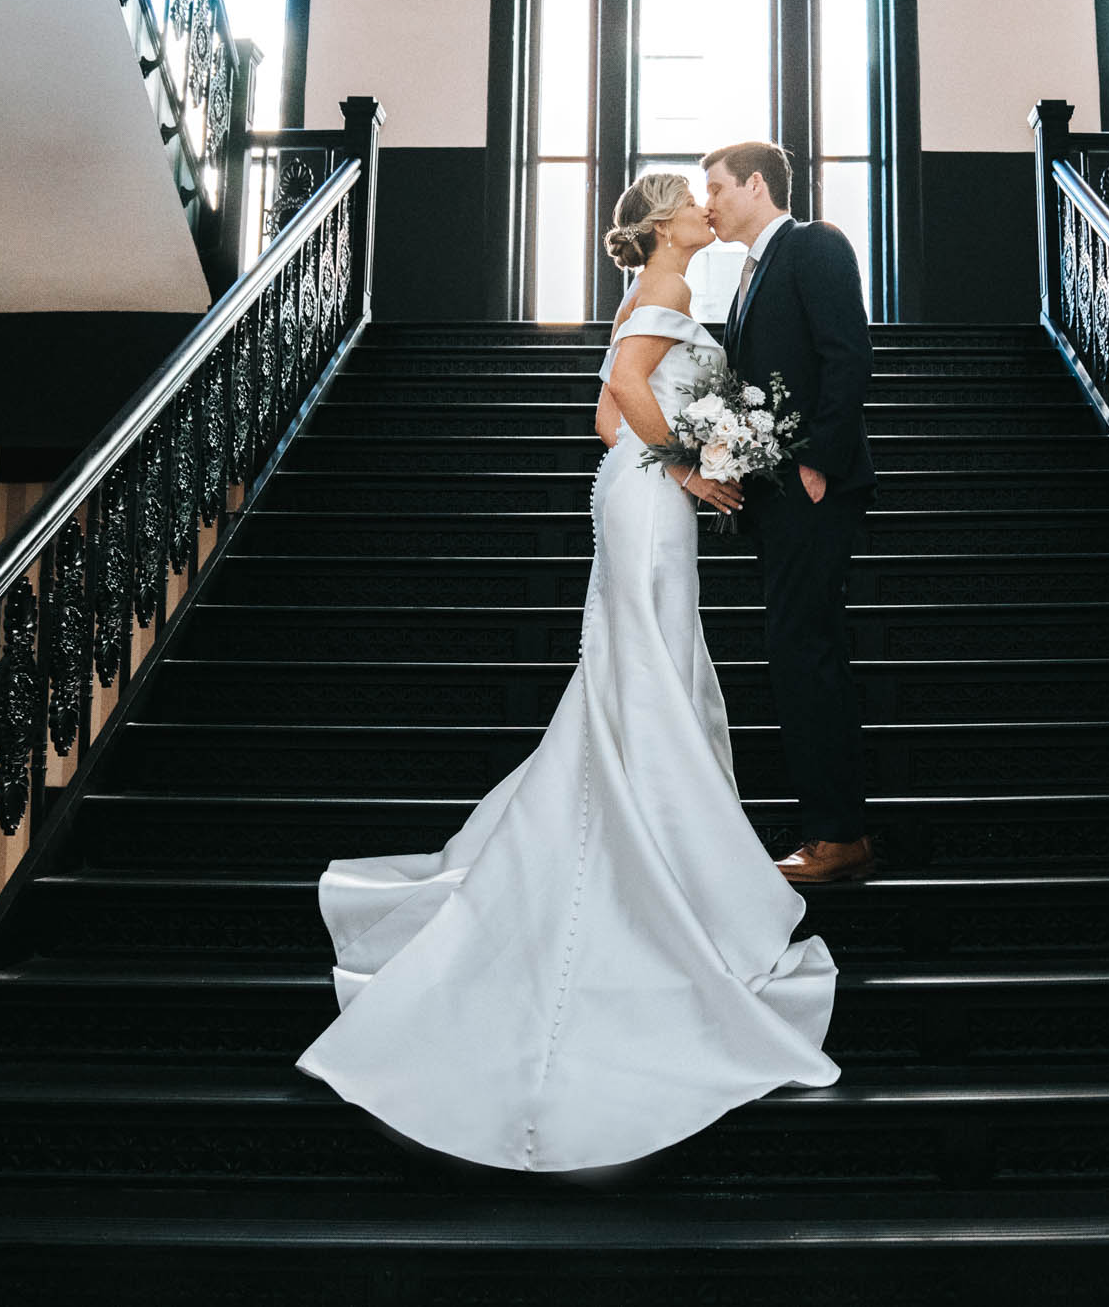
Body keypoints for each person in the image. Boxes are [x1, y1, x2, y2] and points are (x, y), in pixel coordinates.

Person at [294, 172, 839, 1172]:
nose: (707, 209)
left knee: (648, 672)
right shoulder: (665, 297)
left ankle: (653, 830)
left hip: (632, 496)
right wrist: (687, 466)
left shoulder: (659, 297)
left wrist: (706, 452)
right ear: (670, 219)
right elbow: (626, 399)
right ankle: (654, 858)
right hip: (647, 504)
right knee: (647, 674)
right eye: (695, 198)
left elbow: (603, 423)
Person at [700, 141, 878, 885]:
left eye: (714, 187)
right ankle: (832, 829)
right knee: (801, 648)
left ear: (755, 184)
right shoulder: (747, 275)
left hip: (814, 488)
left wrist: (816, 459)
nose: (706, 202)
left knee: (804, 651)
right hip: (777, 497)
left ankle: (837, 838)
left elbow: (849, 354)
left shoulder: (813, 245)